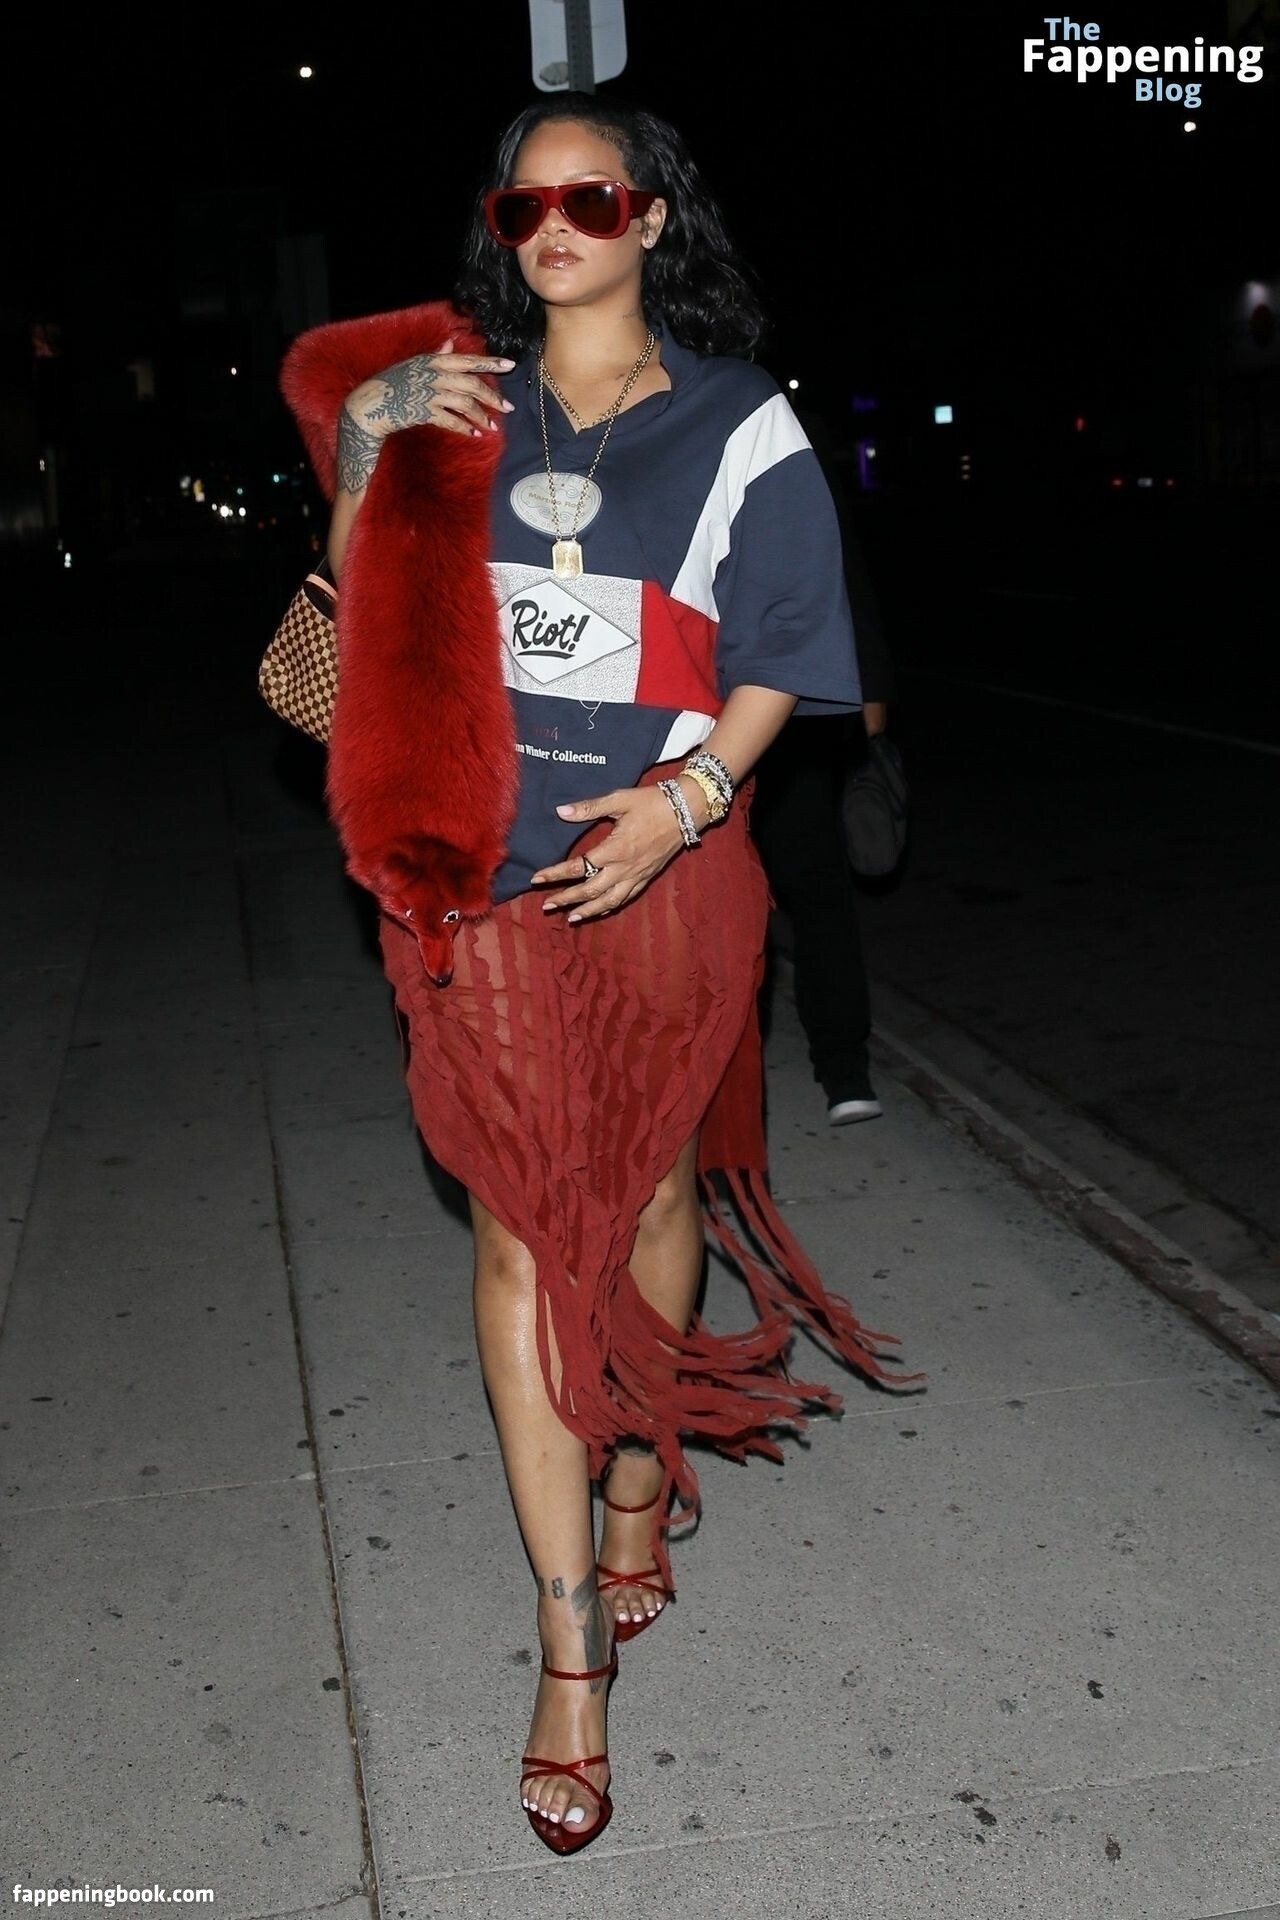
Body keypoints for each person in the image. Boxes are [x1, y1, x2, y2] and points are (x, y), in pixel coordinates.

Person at [280, 93, 919, 1857]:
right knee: (519, 1229)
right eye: (524, 202)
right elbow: (362, 620)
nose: (554, 224)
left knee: (648, 1200)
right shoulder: (454, 404)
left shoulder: (738, 420)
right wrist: (366, 447)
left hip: (666, 874)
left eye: (593, 196)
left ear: (652, 218)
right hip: (477, 877)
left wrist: (688, 800)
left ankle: (638, 1462)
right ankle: (571, 1649)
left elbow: (785, 652)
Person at [751, 405, 896, 1125]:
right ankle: (728, 1083)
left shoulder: (777, 426)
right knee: (728, 902)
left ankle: (845, 1067)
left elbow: (839, 558)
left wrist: (868, 684)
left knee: (815, 884)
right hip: (693, 699)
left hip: (794, 698)